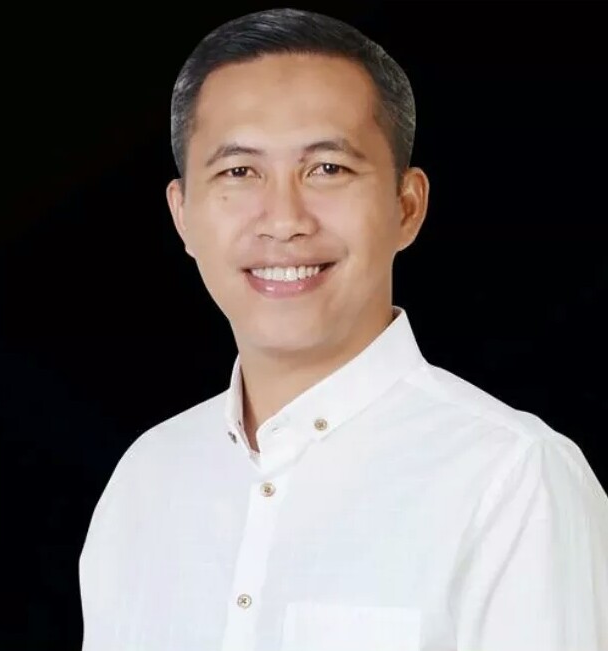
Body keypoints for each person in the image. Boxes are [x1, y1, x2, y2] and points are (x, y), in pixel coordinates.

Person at [78, 8, 608, 650]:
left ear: (407, 206)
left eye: (327, 168)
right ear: (182, 214)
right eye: (239, 172)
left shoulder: (512, 477)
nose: (284, 220)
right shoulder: (147, 479)